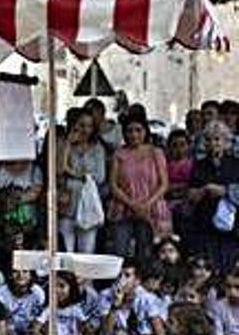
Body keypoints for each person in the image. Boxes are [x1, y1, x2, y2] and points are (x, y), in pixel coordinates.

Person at [108, 112, 171, 261]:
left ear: (145, 131)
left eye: (138, 130)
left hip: (151, 209)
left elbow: (164, 184)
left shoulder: (156, 153)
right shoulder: (119, 154)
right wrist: (132, 204)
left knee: (147, 252)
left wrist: (146, 204)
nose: (134, 134)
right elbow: (113, 185)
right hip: (123, 209)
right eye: (130, 131)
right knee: (120, 252)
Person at [186, 120, 239, 272]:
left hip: (232, 226)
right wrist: (204, 190)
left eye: (217, 139)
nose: (213, 143)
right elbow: (191, 194)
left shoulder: (235, 164)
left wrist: (226, 191)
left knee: (230, 264)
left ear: (225, 141)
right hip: (206, 223)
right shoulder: (199, 165)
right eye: (209, 139)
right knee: (209, 264)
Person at [99, 262, 173, 335]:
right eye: (119, 275)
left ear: (137, 281)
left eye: (127, 276)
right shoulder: (105, 295)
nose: (121, 280)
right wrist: (115, 305)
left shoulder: (147, 298)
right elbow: (107, 331)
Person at [28, 272, 99, 335]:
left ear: (71, 288)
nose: (57, 290)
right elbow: (35, 331)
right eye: (54, 286)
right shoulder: (48, 308)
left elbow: (90, 334)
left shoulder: (76, 309)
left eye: (61, 286)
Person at [58, 107, 106, 254]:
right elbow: (59, 170)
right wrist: (67, 143)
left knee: (87, 253)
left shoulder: (97, 149)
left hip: (88, 206)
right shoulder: (64, 145)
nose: (85, 130)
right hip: (67, 205)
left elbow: (99, 176)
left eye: (89, 126)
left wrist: (72, 172)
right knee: (66, 252)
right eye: (81, 125)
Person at [0, 269, 45, 335]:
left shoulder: (38, 292)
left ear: (31, 275)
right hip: (9, 331)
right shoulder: (2, 293)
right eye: (15, 271)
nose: (20, 275)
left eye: (25, 271)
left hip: (30, 331)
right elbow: (1, 321)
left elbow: (38, 320)